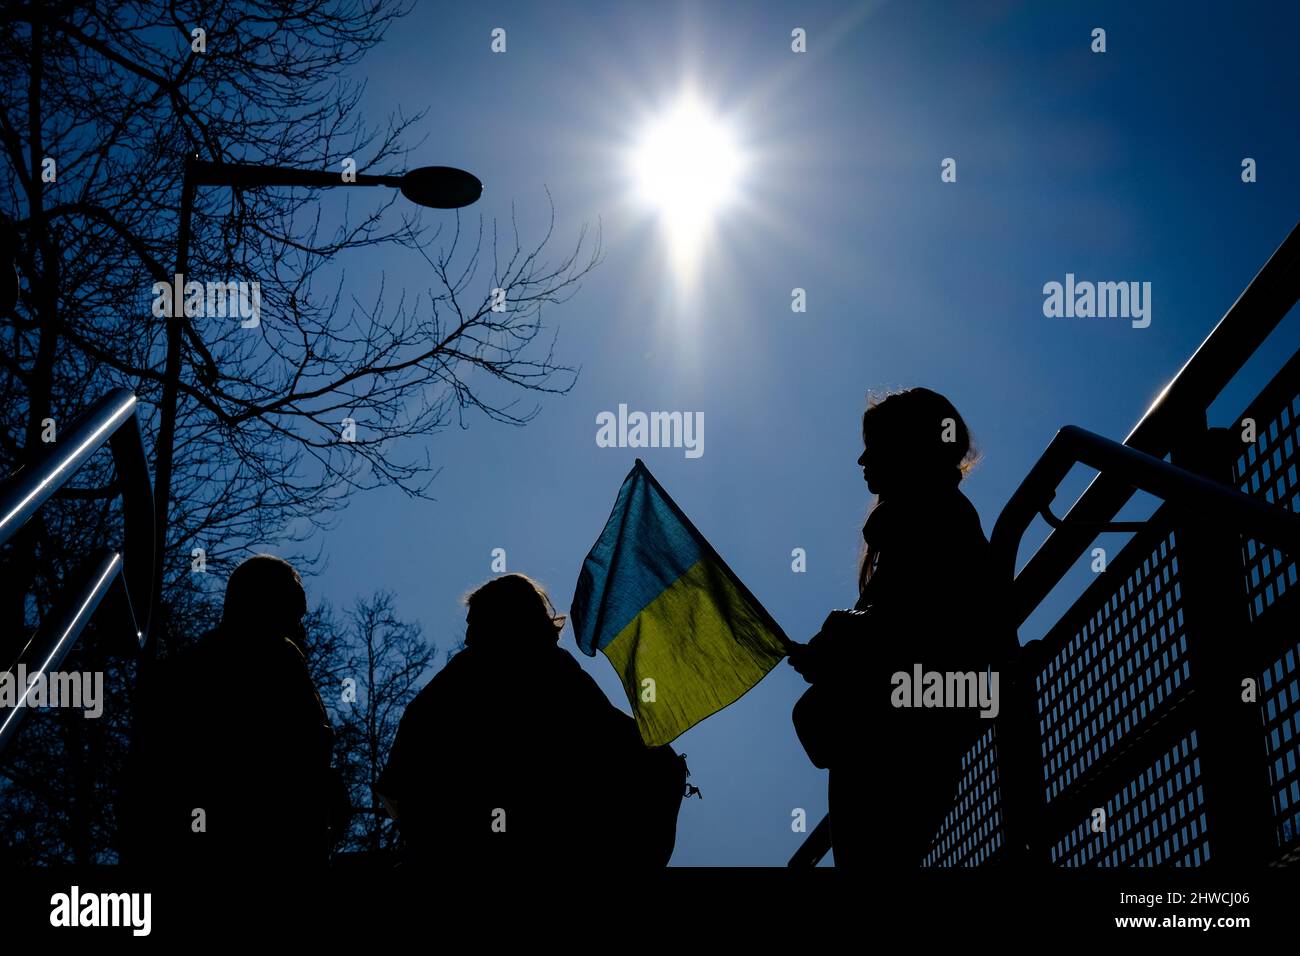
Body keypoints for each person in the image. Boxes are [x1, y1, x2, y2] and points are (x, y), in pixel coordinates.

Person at [788, 388, 1017, 867]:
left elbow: (916, 624)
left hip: (903, 748)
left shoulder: (935, 518)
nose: (862, 459)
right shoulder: (926, 520)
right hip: (909, 741)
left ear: (908, 447)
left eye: (875, 445)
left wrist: (840, 640)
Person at [376, 573, 686, 868]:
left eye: (475, 623)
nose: (468, 636)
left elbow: (606, 735)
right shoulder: (547, 672)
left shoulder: (491, 672)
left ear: (501, 620)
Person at [121, 555, 350, 867]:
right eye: (293, 608)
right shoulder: (276, 660)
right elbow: (303, 751)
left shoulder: (185, 669)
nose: (300, 621)